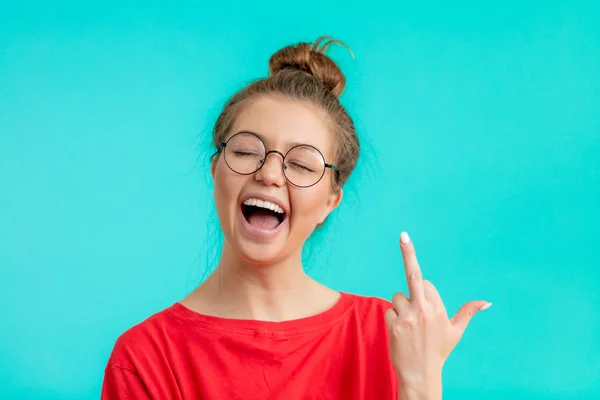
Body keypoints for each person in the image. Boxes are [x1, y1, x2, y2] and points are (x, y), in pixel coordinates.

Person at [101, 36, 492, 400]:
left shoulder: (389, 336)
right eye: (245, 151)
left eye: (302, 164)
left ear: (330, 201)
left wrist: (421, 383)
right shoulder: (145, 357)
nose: (269, 174)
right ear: (214, 168)